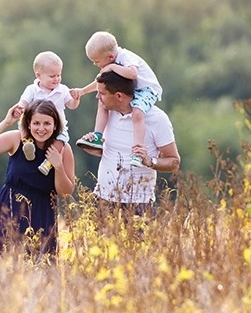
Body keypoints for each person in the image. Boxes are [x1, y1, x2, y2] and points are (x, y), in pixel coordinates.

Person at [0, 99, 76, 253]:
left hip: (42, 213)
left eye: (47, 123)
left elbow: (66, 193)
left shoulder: (63, 149)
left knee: (38, 266)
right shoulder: (17, 139)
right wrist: (6, 122)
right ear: (28, 124)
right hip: (10, 208)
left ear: (55, 126)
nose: (41, 129)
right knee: (1, 261)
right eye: (36, 123)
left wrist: (58, 166)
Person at [77, 70, 179, 211]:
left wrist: (150, 161)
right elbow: (113, 153)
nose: (97, 97)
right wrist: (93, 147)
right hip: (102, 200)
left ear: (119, 96)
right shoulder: (107, 114)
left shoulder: (157, 119)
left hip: (139, 204)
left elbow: (174, 162)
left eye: (102, 93)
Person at [70, 31, 163, 168]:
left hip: (146, 90)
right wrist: (83, 91)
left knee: (137, 113)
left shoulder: (126, 58)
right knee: (102, 102)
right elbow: (100, 82)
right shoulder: (111, 62)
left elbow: (132, 74)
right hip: (130, 89)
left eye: (96, 61)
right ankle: (98, 136)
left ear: (110, 56)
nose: (95, 64)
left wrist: (112, 67)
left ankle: (137, 150)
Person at [14, 51, 81, 175]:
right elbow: (24, 101)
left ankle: (48, 163)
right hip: (34, 123)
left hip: (57, 126)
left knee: (61, 140)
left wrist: (76, 99)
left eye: (58, 75)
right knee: (22, 126)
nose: (56, 79)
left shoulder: (63, 90)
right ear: (38, 75)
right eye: (52, 76)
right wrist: (20, 108)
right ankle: (28, 144)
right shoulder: (32, 89)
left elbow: (71, 105)